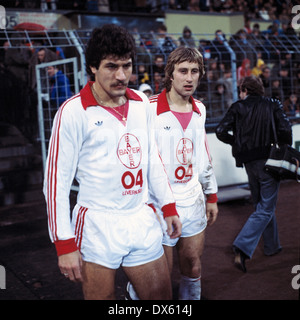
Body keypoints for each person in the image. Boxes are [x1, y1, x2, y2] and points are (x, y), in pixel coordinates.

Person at [43, 24, 181, 300]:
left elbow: (152, 158)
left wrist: (168, 205)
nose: (121, 75)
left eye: (126, 66)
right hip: (97, 224)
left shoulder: (142, 103)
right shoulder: (72, 112)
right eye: (111, 66)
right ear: (93, 67)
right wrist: (64, 243)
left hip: (140, 217)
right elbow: (56, 182)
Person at [128, 46, 219, 300]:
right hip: (158, 204)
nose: (189, 78)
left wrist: (211, 195)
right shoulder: (149, 109)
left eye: (194, 71)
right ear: (170, 74)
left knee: (192, 264)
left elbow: (203, 155)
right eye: (182, 71)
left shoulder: (199, 109)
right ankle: (134, 295)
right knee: (160, 278)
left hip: (192, 199)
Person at [215, 76, 292, 273]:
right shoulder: (272, 104)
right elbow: (285, 130)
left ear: (245, 90)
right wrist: (283, 147)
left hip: (249, 163)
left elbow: (220, 131)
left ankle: (271, 246)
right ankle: (242, 245)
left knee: (262, 205)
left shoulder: (237, 107)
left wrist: (237, 143)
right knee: (266, 207)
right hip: (270, 160)